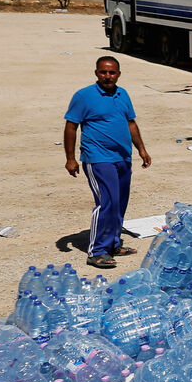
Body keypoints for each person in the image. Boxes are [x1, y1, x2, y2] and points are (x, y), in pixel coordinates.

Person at [63, 56, 151, 269]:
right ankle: (97, 251)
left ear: (118, 74)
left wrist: (141, 149)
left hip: (122, 157)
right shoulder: (84, 96)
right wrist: (70, 158)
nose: (107, 76)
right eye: (103, 72)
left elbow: (130, 123)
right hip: (98, 158)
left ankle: (112, 243)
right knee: (107, 202)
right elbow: (71, 127)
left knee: (119, 203)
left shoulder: (123, 94)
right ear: (96, 73)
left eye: (112, 72)